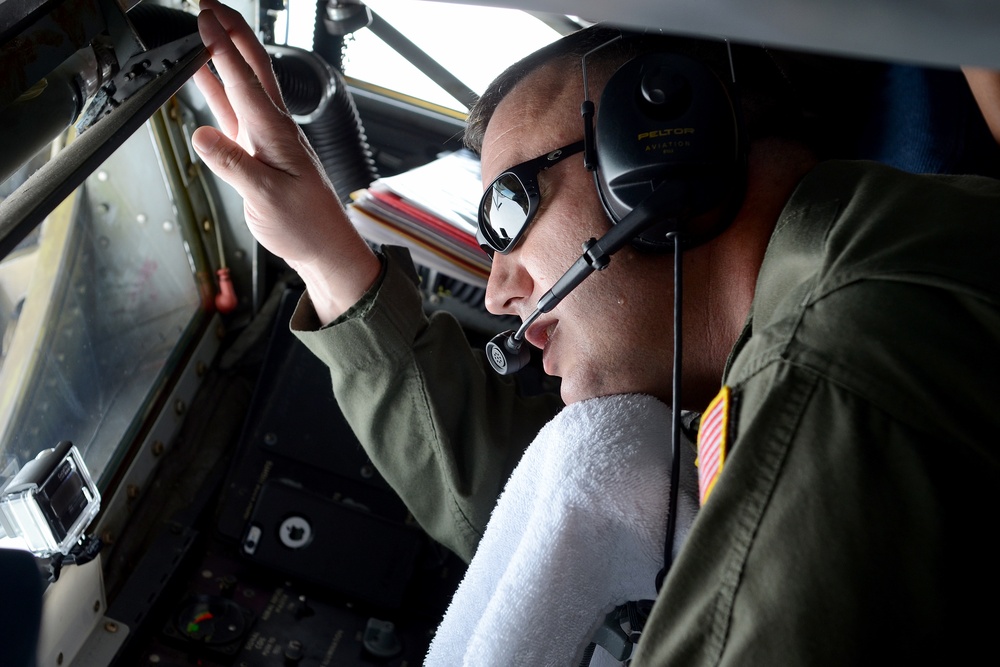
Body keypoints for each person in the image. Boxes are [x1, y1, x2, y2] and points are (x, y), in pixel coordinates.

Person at [191, 0, 1000, 663]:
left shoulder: (833, 366)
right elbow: (555, 521)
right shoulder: (805, 314)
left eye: (507, 211)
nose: (500, 291)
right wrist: (328, 259)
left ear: (656, 152)